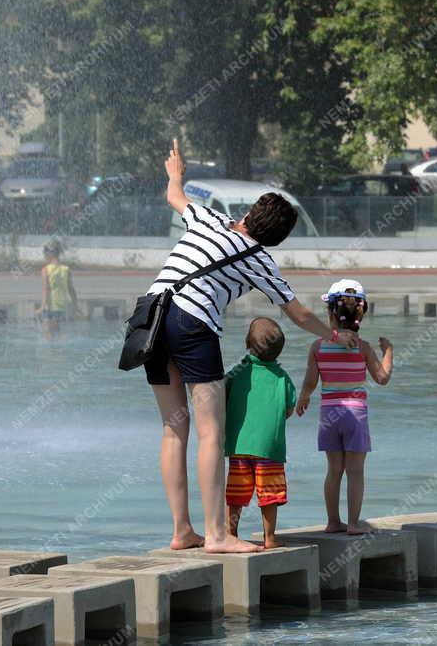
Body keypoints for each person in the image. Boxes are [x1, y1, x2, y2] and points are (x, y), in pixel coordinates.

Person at [143, 139, 358, 554]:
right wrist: (334, 336)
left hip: (151, 318)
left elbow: (174, 195)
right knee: (211, 432)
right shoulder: (259, 258)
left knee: (173, 429)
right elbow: (297, 314)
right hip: (192, 324)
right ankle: (218, 535)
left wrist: (175, 173)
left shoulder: (209, 219)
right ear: (276, 239)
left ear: (247, 212)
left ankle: (181, 531)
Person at [296, 279, 392, 534]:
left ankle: (332, 521)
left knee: (334, 470)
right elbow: (382, 378)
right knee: (356, 472)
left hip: (329, 414)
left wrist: (304, 397)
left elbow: (310, 380)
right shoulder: (363, 348)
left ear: (330, 313)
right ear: (361, 313)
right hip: (355, 415)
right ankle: (353, 524)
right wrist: (389, 351)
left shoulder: (318, 346)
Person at [224, 318, 295, 549]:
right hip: (269, 448)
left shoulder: (236, 373)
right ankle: (270, 538)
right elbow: (289, 409)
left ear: (247, 343)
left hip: (240, 445)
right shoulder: (283, 378)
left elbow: (220, 397)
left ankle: (230, 533)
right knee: (270, 494)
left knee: (236, 493)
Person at [39, 238, 78, 340]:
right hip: (62, 306)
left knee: (48, 333)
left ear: (48, 253)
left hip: (50, 306)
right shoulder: (66, 269)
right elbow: (71, 289)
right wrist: (75, 305)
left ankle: (52, 353)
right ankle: (61, 351)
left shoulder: (46, 270)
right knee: (59, 331)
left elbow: (46, 289)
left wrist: (42, 306)